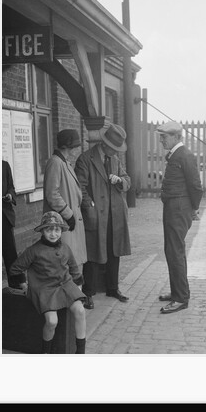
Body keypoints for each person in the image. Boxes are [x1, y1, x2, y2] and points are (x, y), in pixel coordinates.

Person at [9, 211, 87, 354]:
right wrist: (24, 285)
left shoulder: (65, 248)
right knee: (52, 321)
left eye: (56, 230)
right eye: (49, 229)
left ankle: (80, 352)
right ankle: (46, 352)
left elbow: (74, 269)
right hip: (44, 288)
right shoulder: (34, 250)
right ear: (42, 231)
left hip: (65, 285)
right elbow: (15, 268)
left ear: (61, 231)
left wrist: (78, 288)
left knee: (80, 310)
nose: (53, 234)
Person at [74, 123, 131, 310]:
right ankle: (87, 293)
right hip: (96, 215)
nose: (115, 152)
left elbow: (127, 180)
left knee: (114, 252)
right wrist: (89, 204)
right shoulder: (86, 159)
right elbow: (80, 186)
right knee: (92, 254)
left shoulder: (115, 159)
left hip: (115, 215)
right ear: (105, 144)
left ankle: (112, 288)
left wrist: (120, 181)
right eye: (114, 148)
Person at [156, 121, 203, 314]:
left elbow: (196, 186)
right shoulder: (177, 154)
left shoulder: (185, 155)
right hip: (173, 207)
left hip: (178, 208)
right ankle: (177, 292)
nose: (161, 140)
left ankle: (181, 298)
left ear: (176, 136)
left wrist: (193, 208)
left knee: (175, 252)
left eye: (164, 136)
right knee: (172, 251)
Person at [43, 129, 87, 273]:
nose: (77, 149)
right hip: (63, 223)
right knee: (66, 265)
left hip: (69, 223)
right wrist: (68, 214)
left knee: (74, 265)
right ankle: (71, 295)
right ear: (68, 146)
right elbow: (52, 193)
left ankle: (76, 294)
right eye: (75, 146)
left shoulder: (64, 163)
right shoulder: (55, 163)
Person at [2, 160, 27, 292]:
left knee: (10, 252)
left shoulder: (4, 165)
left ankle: (16, 285)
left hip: (4, 216)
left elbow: (11, 187)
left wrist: (10, 195)